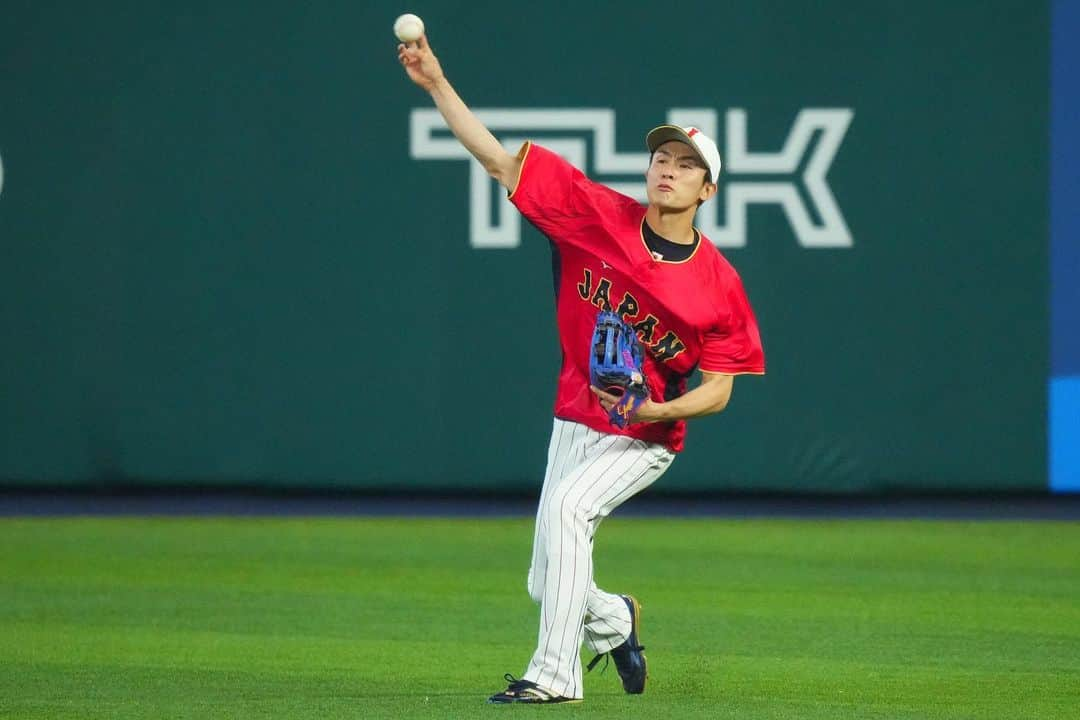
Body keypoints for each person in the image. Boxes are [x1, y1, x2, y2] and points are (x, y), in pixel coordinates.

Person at [398, 34, 765, 705]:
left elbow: (718, 392)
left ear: (708, 189)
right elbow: (500, 162)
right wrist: (435, 84)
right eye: (661, 156)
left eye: (686, 165)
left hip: (644, 433)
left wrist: (656, 413)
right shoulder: (595, 216)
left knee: (567, 511)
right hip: (575, 414)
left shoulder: (719, 283)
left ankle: (555, 678)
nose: (668, 169)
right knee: (547, 581)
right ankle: (615, 619)